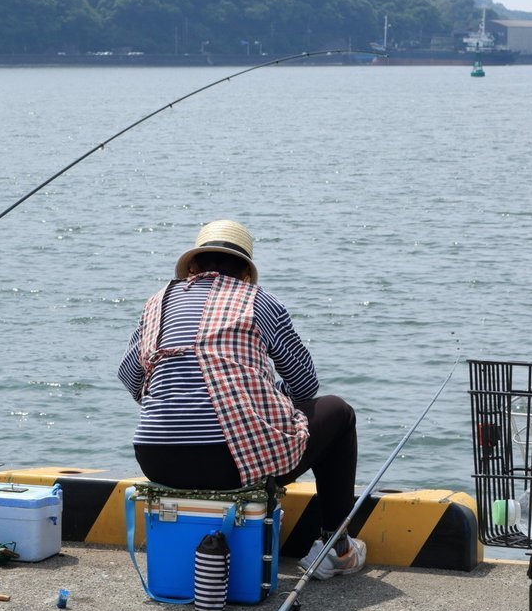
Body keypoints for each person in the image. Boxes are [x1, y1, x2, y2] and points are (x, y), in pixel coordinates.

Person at [118, 219, 365, 579]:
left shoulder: (159, 302)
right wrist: (264, 397)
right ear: (247, 274)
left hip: (156, 458)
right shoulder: (259, 302)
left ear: (192, 268)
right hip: (230, 464)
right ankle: (336, 547)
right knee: (339, 413)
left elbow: (130, 378)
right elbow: (305, 386)